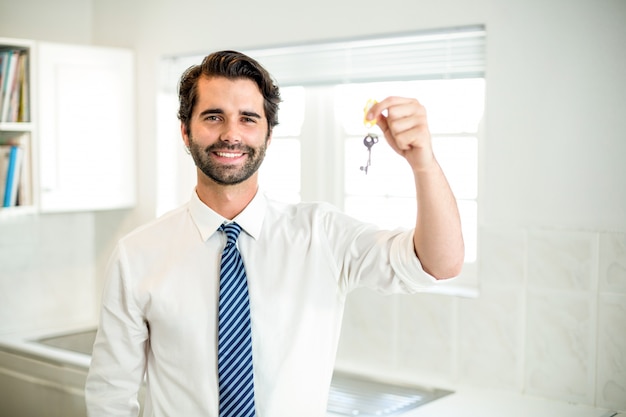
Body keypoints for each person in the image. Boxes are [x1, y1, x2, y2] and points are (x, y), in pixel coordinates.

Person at [85, 50, 464, 417]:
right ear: (185, 131)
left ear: (269, 135)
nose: (231, 134)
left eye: (248, 118)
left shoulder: (323, 237)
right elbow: (110, 395)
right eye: (213, 117)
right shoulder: (136, 254)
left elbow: (437, 264)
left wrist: (423, 162)